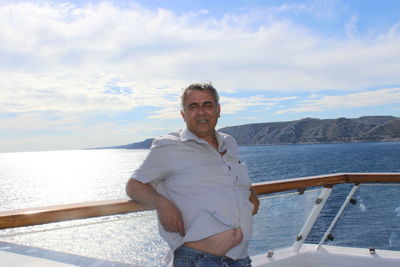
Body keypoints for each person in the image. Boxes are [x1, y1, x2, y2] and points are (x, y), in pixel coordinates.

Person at [126, 82, 260, 267]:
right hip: (198, 260)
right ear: (183, 114)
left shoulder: (229, 143)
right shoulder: (170, 146)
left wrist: (250, 195)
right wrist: (162, 204)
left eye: (207, 105)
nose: (201, 112)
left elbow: (233, 178)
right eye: (193, 106)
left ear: (218, 109)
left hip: (240, 259)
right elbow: (134, 186)